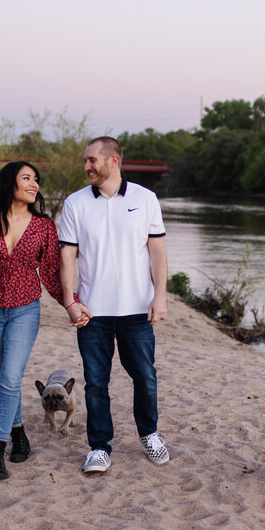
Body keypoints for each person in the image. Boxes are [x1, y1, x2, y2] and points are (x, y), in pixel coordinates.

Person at [0, 160, 88, 481]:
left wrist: (72, 304)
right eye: (27, 177)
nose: (34, 184)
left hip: (26, 309)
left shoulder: (43, 226)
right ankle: (19, 434)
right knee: (7, 379)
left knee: (10, 379)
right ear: (8, 182)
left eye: (36, 179)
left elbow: (53, 273)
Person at [58, 136, 170, 475]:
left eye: (92, 160)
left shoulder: (145, 198)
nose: (87, 166)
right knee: (95, 383)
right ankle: (99, 448)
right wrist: (69, 302)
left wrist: (160, 295)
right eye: (86, 161)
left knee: (145, 378)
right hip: (93, 312)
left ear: (114, 160)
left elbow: (158, 251)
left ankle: (149, 434)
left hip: (137, 308)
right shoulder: (75, 203)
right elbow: (67, 255)